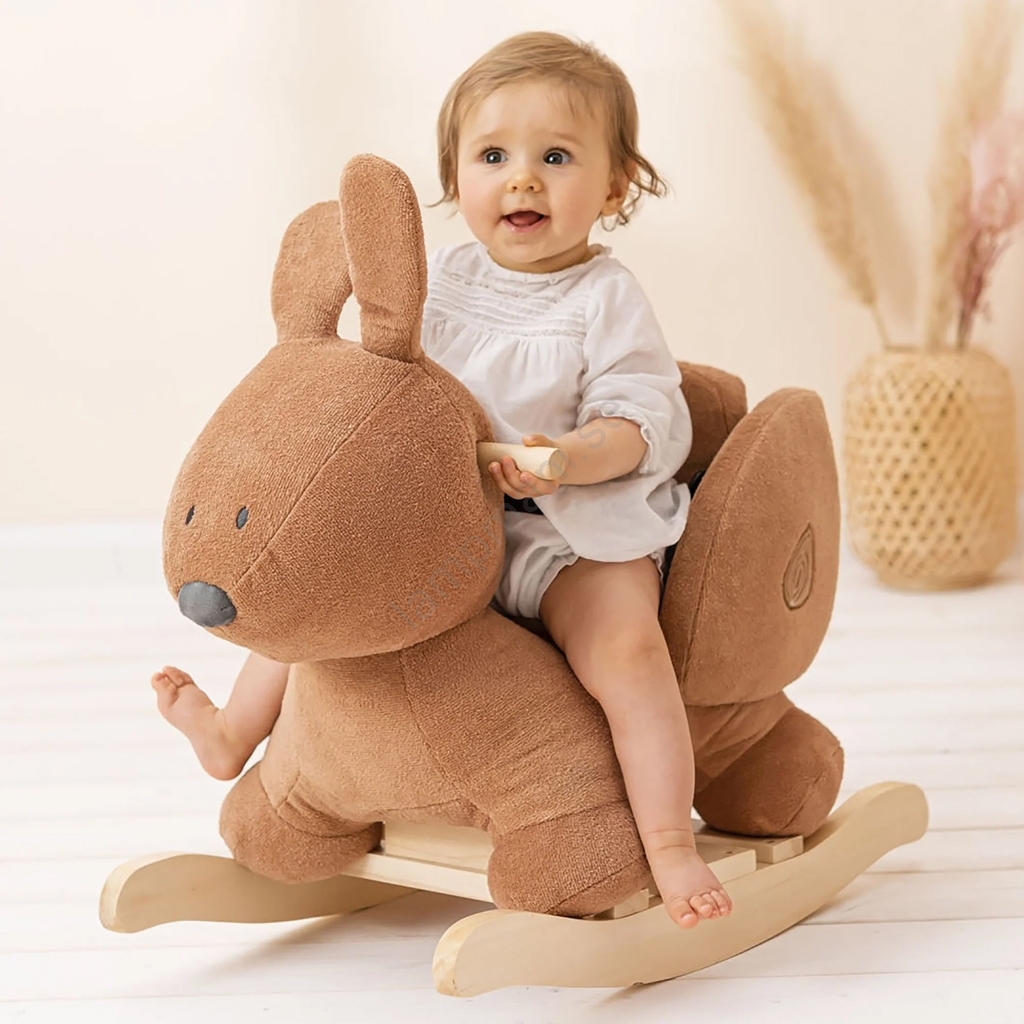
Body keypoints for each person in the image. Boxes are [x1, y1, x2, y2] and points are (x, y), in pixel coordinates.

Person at [152, 29, 731, 930]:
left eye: (556, 157)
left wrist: (569, 457)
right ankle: (234, 734)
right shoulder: (443, 282)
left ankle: (666, 840)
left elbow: (644, 418)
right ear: (456, 178)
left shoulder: (604, 300)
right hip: (440, 529)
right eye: (493, 156)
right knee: (324, 594)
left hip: (566, 536)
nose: (522, 179)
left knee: (626, 652)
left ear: (616, 187)